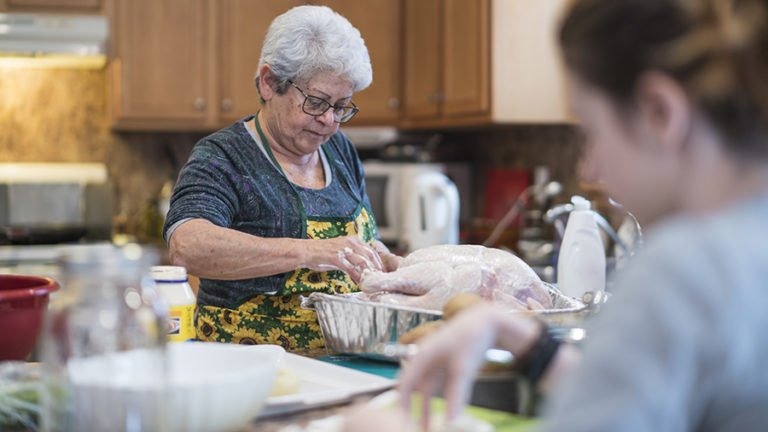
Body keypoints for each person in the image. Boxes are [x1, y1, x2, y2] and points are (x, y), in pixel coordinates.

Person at [344, 0, 768, 430]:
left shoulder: (686, 266)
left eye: (591, 132)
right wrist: (526, 342)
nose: (589, 169)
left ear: (660, 113)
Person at [163, 5, 399, 352]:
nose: (330, 121)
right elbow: (188, 247)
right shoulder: (223, 156)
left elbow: (363, 243)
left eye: (342, 106)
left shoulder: (341, 151)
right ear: (270, 82)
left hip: (344, 365)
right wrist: (311, 251)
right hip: (249, 373)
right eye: (317, 102)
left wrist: (392, 264)